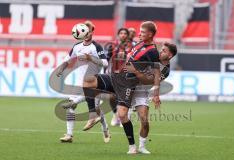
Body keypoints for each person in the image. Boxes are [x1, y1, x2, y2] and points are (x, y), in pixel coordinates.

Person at [82, 21, 161, 154]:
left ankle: (134, 146)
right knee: (88, 81)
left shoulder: (152, 51)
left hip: (129, 84)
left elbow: (157, 72)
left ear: (151, 34)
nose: (139, 34)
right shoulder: (139, 44)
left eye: (142, 32)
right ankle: (93, 115)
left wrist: (156, 93)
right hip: (118, 78)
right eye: (139, 31)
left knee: (125, 115)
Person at [56, 20, 110, 143]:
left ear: (92, 32)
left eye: (88, 30)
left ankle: (105, 129)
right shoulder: (77, 46)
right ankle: (69, 135)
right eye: (84, 30)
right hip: (79, 82)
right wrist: (61, 69)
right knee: (71, 105)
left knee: (96, 110)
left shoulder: (96, 46)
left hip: (93, 83)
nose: (86, 33)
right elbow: (68, 59)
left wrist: (90, 58)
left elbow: (105, 62)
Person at [124, 42, 177, 154]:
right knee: (121, 114)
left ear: (170, 56)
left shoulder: (165, 71)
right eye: (161, 49)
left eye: (164, 51)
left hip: (142, 90)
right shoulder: (152, 55)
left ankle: (142, 146)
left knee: (144, 120)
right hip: (129, 85)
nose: (160, 51)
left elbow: (149, 81)